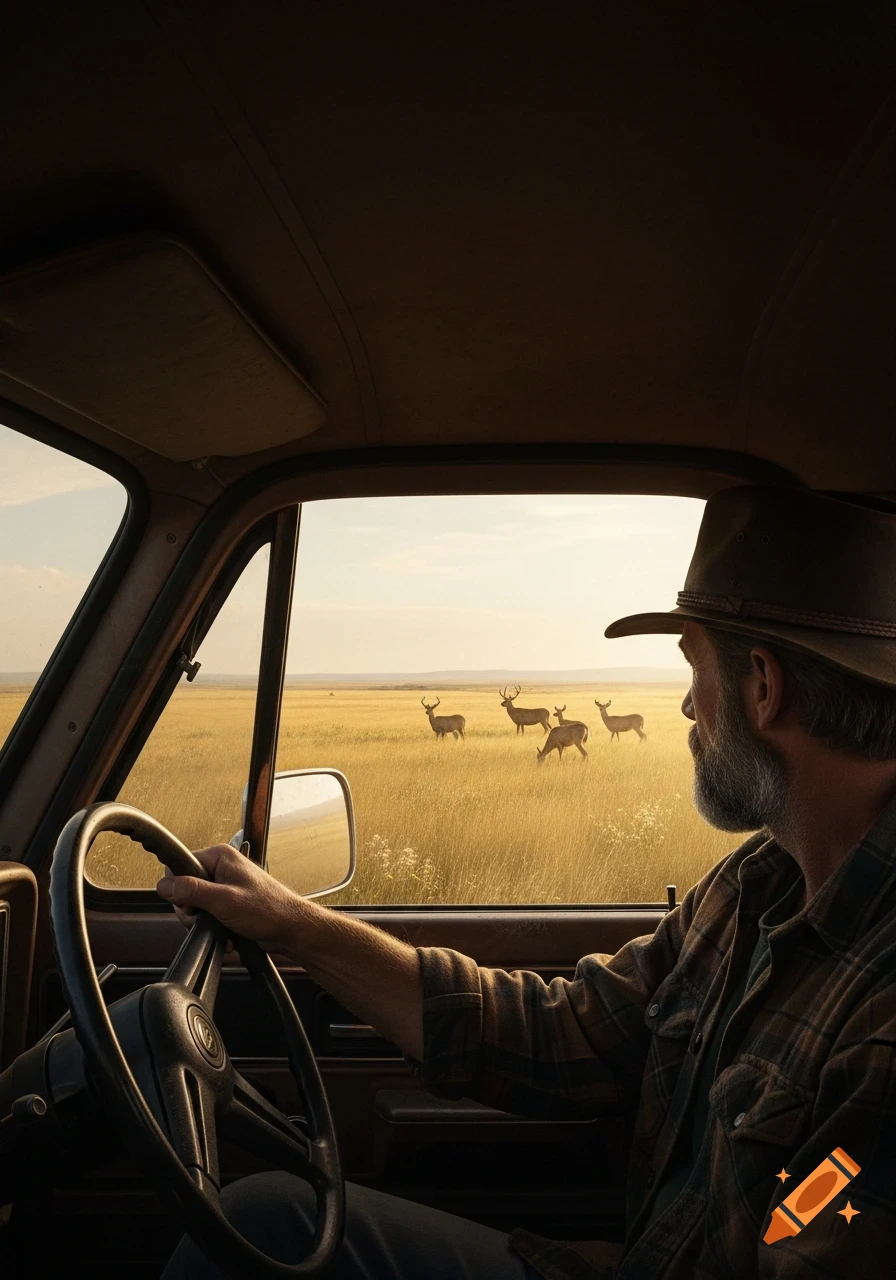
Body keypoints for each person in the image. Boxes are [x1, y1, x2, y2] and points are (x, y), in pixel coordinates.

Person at [160, 486, 896, 1279]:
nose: (687, 704)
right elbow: (569, 1030)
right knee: (273, 1218)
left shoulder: (881, 1016)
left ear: (761, 685)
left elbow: (807, 1240)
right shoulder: (753, 887)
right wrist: (297, 926)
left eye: (693, 665)